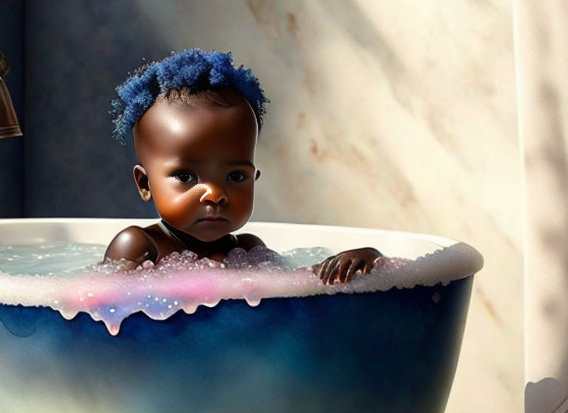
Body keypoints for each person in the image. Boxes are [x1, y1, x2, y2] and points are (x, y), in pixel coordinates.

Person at [104, 49, 380, 284]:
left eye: (235, 176)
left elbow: (295, 287)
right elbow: (100, 305)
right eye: (186, 176)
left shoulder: (248, 250)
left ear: (254, 178)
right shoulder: (140, 245)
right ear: (145, 183)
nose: (215, 194)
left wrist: (360, 259)